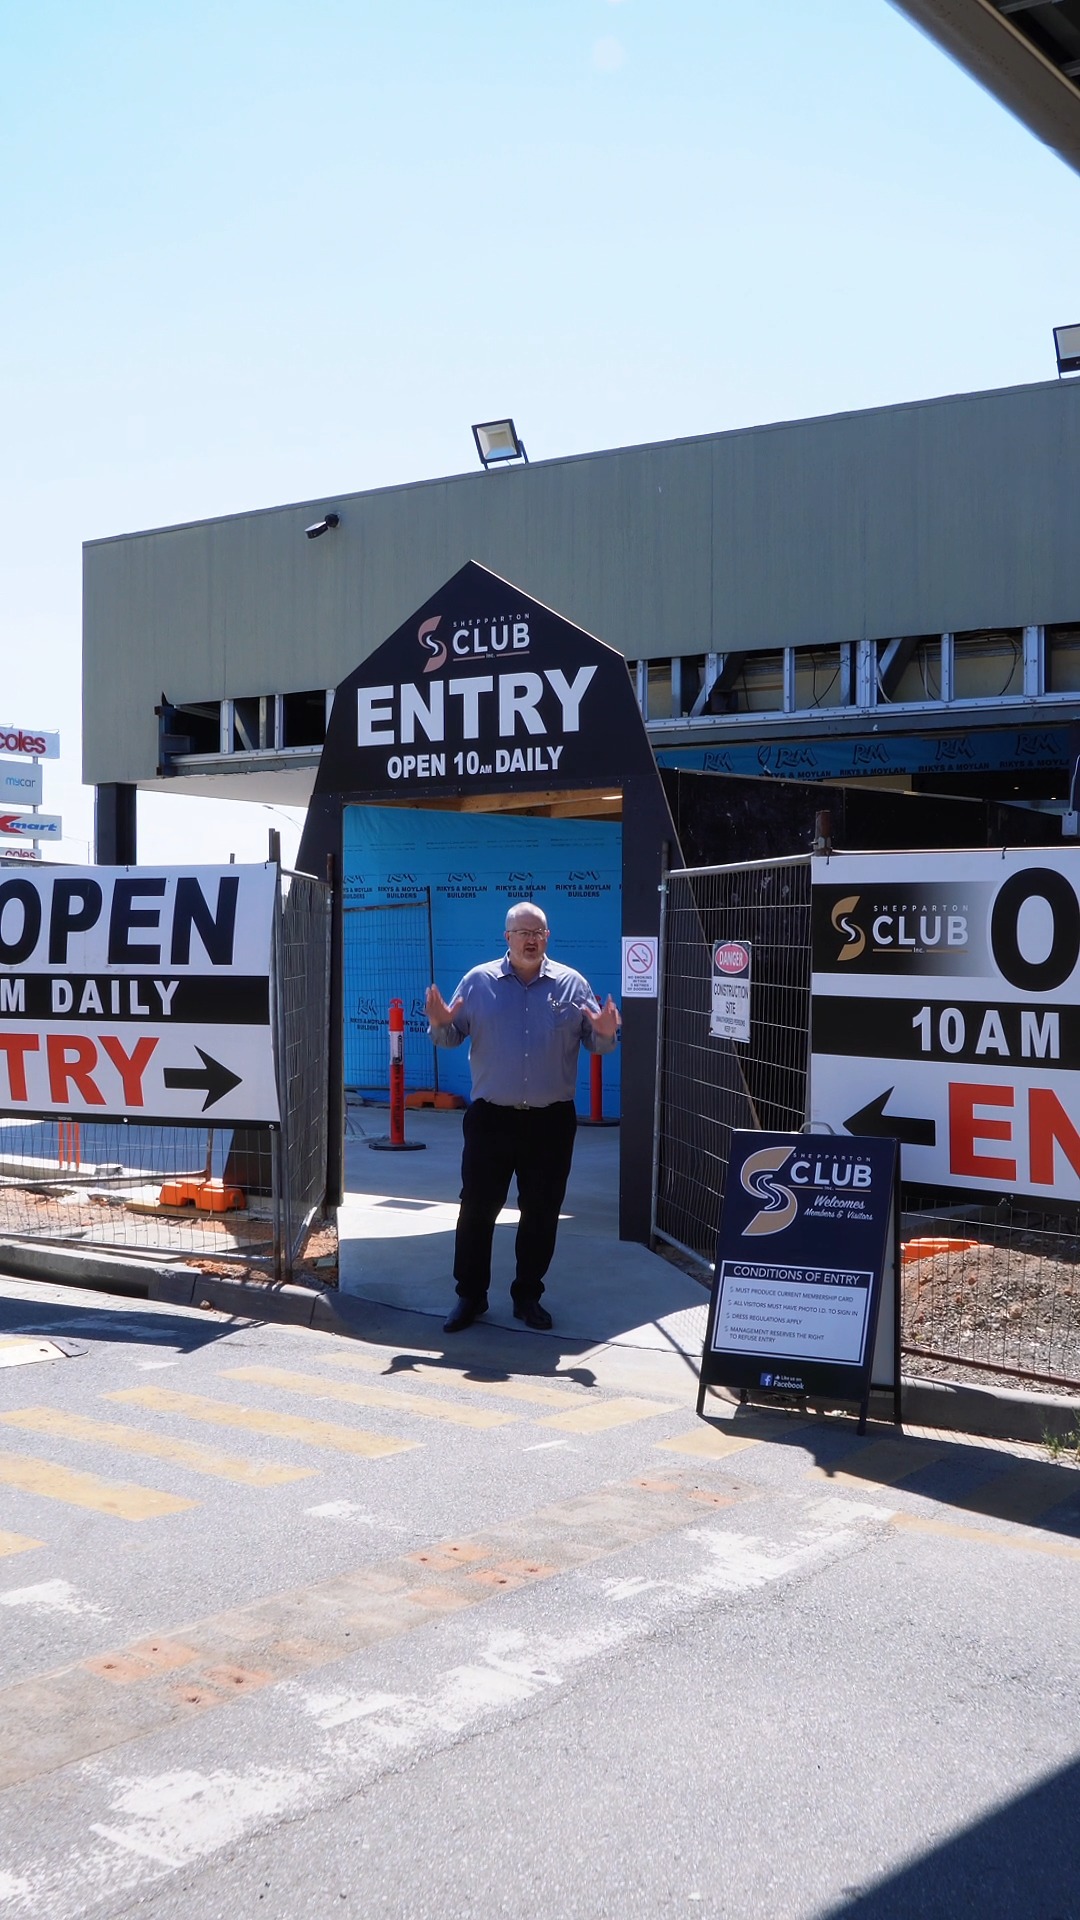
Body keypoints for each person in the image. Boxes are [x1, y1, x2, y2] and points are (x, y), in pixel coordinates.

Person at [425, 901, 620, 1333]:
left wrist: (607, 1034)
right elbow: (450, 1037)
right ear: (507, 937)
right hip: (491, 1119)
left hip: (551, 1123)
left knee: (542, 1212)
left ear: (547, 938)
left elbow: (598, 1044)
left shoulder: (572, 984)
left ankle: (528, 1295)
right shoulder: (478, 982)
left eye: (539, 932)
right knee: (476, 1210)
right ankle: (469, 1297)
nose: (531, 939)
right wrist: (439, 1024)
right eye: (522, 931)